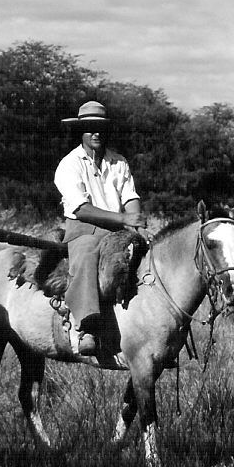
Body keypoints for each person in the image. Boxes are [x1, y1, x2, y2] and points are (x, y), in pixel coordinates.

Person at [53, 100, 146, 361]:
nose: (96, 133)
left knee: (150, 258)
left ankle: (155, 330)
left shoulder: (119, 162)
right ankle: (86, 326)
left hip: (120, 229)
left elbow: (130, 197)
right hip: (84, 228)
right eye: (90, 128)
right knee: (85, 255)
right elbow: (81, 208)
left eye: (100, 128)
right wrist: (123, 219)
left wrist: (135, 220)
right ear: (80, 132)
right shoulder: (69, 164)